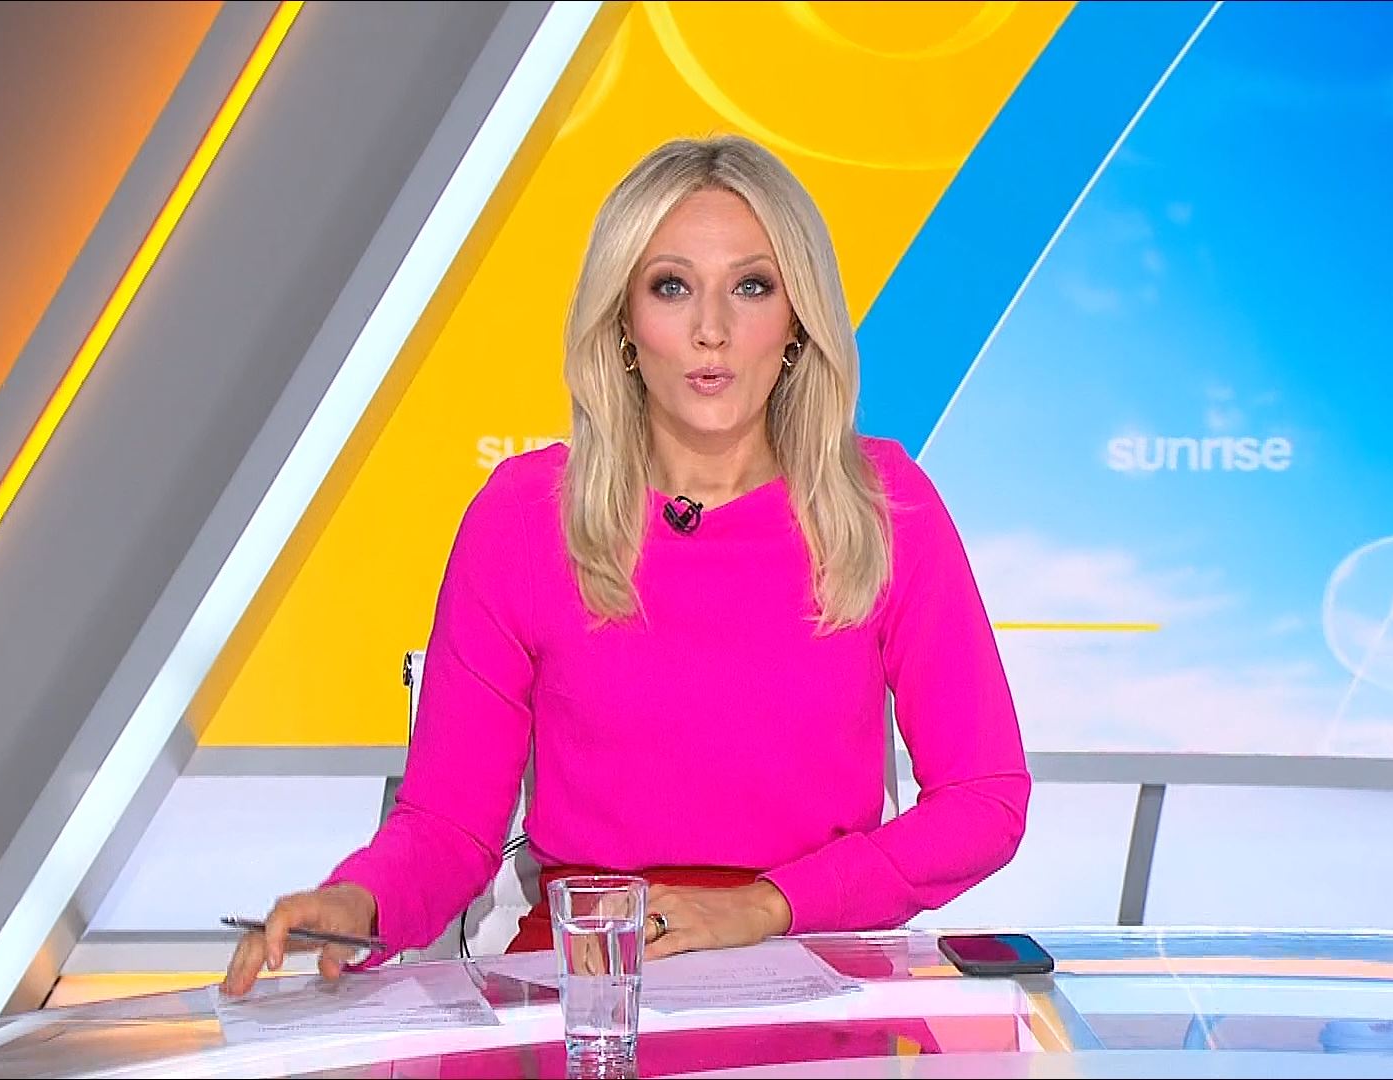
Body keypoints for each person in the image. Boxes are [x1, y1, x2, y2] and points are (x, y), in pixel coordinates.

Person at [222, 134, 1029, 996]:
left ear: (798, 322)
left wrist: (767, 906)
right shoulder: (523, 518)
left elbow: (983, 799)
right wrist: (360, 902)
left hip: (814, 978)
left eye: (752, 286)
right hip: (586, 983)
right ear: (623, 323)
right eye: (671, 286)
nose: (712, 330)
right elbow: (449, 827)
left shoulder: (884, 506)